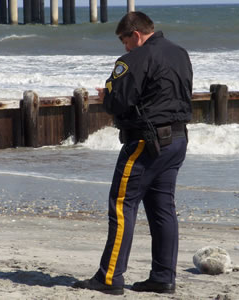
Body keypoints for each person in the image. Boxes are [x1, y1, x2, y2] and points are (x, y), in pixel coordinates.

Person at [73, 11, 193, 295]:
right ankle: (163, 277)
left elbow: (120, 102)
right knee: (163, 209)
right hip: (177, 139)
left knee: (121, 205)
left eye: (124, 41)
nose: (124, 47)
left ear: (135, 35)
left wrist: (107, 97)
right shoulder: (180, 53)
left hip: (145, 142)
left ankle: (110, 277)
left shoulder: (134, 59)